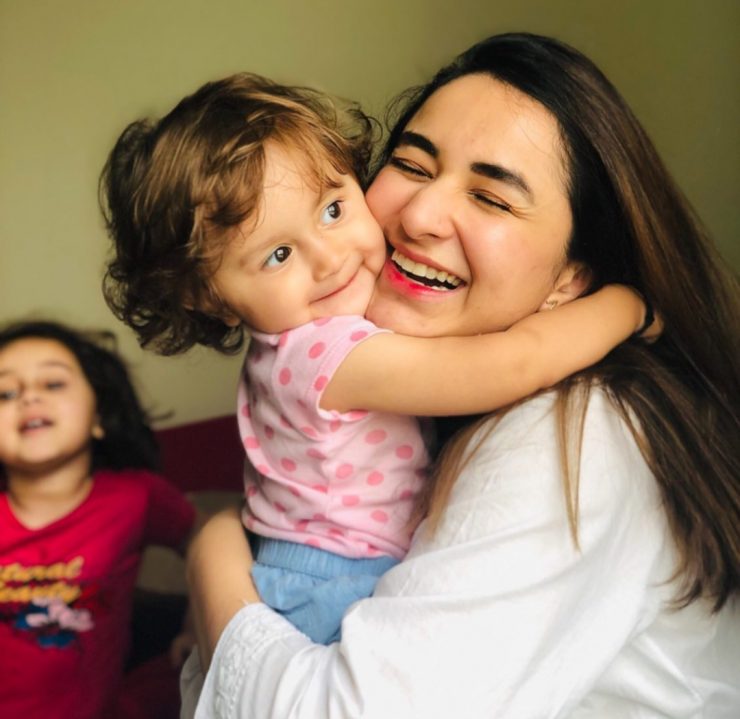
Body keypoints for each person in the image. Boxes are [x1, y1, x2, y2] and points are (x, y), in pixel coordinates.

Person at [182, 32, 740, 718]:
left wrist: (212, 556)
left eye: (493, 198)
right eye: (413, 166)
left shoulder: (575, 431)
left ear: (573, 280)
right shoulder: (381, 366)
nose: (418, 215)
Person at [99, 73, 650, 646]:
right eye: (279, 254)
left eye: (333, 210)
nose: (330, 258)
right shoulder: (326, 354)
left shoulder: (309, 339)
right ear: (212, 299)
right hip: (331, 583)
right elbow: (514, 364)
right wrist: (627, 304)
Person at [0, 320, 197, 719]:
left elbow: (202, 537)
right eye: (4, 393)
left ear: (98, 416)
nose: (28, 397)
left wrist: (198, 626)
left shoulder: (135, 497)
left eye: (53, 384)